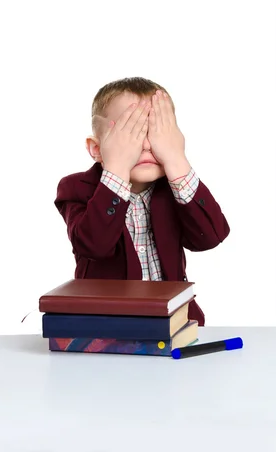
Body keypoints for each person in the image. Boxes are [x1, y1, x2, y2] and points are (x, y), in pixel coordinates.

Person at [54, 77, 229, 325]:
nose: (146, 145)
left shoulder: (175, 187)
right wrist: (117, 168)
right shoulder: (75, 188)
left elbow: (211, 236)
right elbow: (93, 245)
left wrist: (176, 160)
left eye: (156, 133)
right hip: (107, 326)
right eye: (131, 133)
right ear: (96, 149)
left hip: (176, 322)